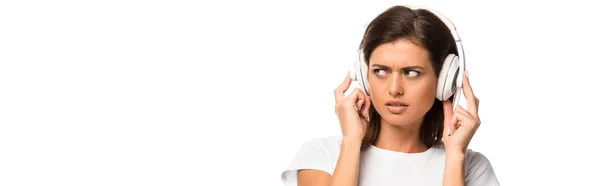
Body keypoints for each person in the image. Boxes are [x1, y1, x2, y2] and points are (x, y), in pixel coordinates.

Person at [280, 5, 499, 186]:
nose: (394, 89)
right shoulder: (322, 155)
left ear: (444, 81)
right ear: (365, 76)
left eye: (411, 73)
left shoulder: (471, 167)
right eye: (380, 71)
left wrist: (454, 158)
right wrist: (351, 141)